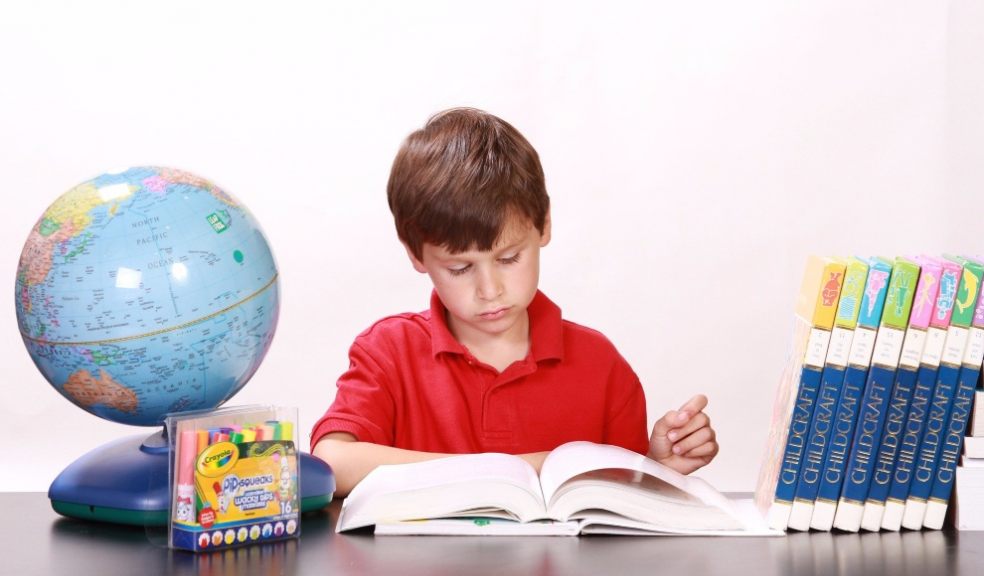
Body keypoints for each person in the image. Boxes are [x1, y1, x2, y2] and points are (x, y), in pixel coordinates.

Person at [311, 108, 718, 495]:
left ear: (544, 225)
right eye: (460, 268)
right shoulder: (388, 351)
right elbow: (333, 461)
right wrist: (521, 467)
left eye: (508, 259)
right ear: (416, 255)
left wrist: (656, 467)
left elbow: (623, 497)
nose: (490, 290)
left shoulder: (601, 365)